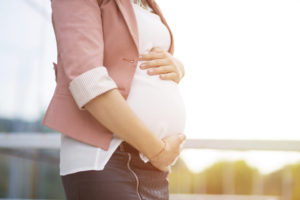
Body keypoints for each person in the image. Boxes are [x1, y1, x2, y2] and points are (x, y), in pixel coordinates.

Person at [43, 0, 187, 199]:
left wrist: (178, 67)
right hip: (107, 159)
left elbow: (136, 56)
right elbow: (87, 80)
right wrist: (157, 152)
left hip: (151, 165)